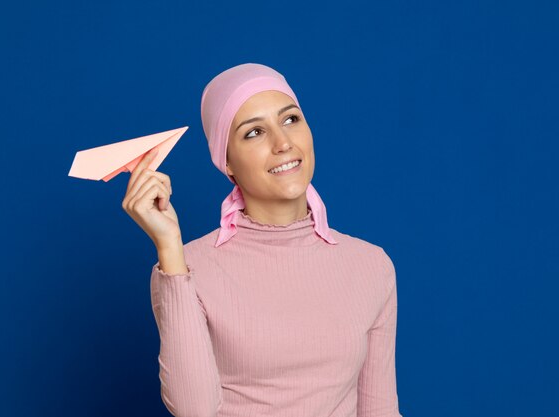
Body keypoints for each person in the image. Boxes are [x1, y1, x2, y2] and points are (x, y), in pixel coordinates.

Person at [122, 63, 403, 417]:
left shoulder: (371, 266)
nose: (283, 143)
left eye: (290, 119)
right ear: (227, 163)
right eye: (254, 132)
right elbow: (195, 410)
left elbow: (381, 411)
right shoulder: (185, 268)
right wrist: (170, 248)